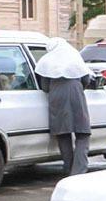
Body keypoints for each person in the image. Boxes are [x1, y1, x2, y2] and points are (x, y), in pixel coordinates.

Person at [34, 38, 94, 176]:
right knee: (83, 134)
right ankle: (79, 170)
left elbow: (45, 87)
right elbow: (86, 80)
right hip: (76, 95)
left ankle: (69, 168)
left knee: (63, 135)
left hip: (56, 97)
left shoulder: (46, 61)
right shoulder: (74, 57)